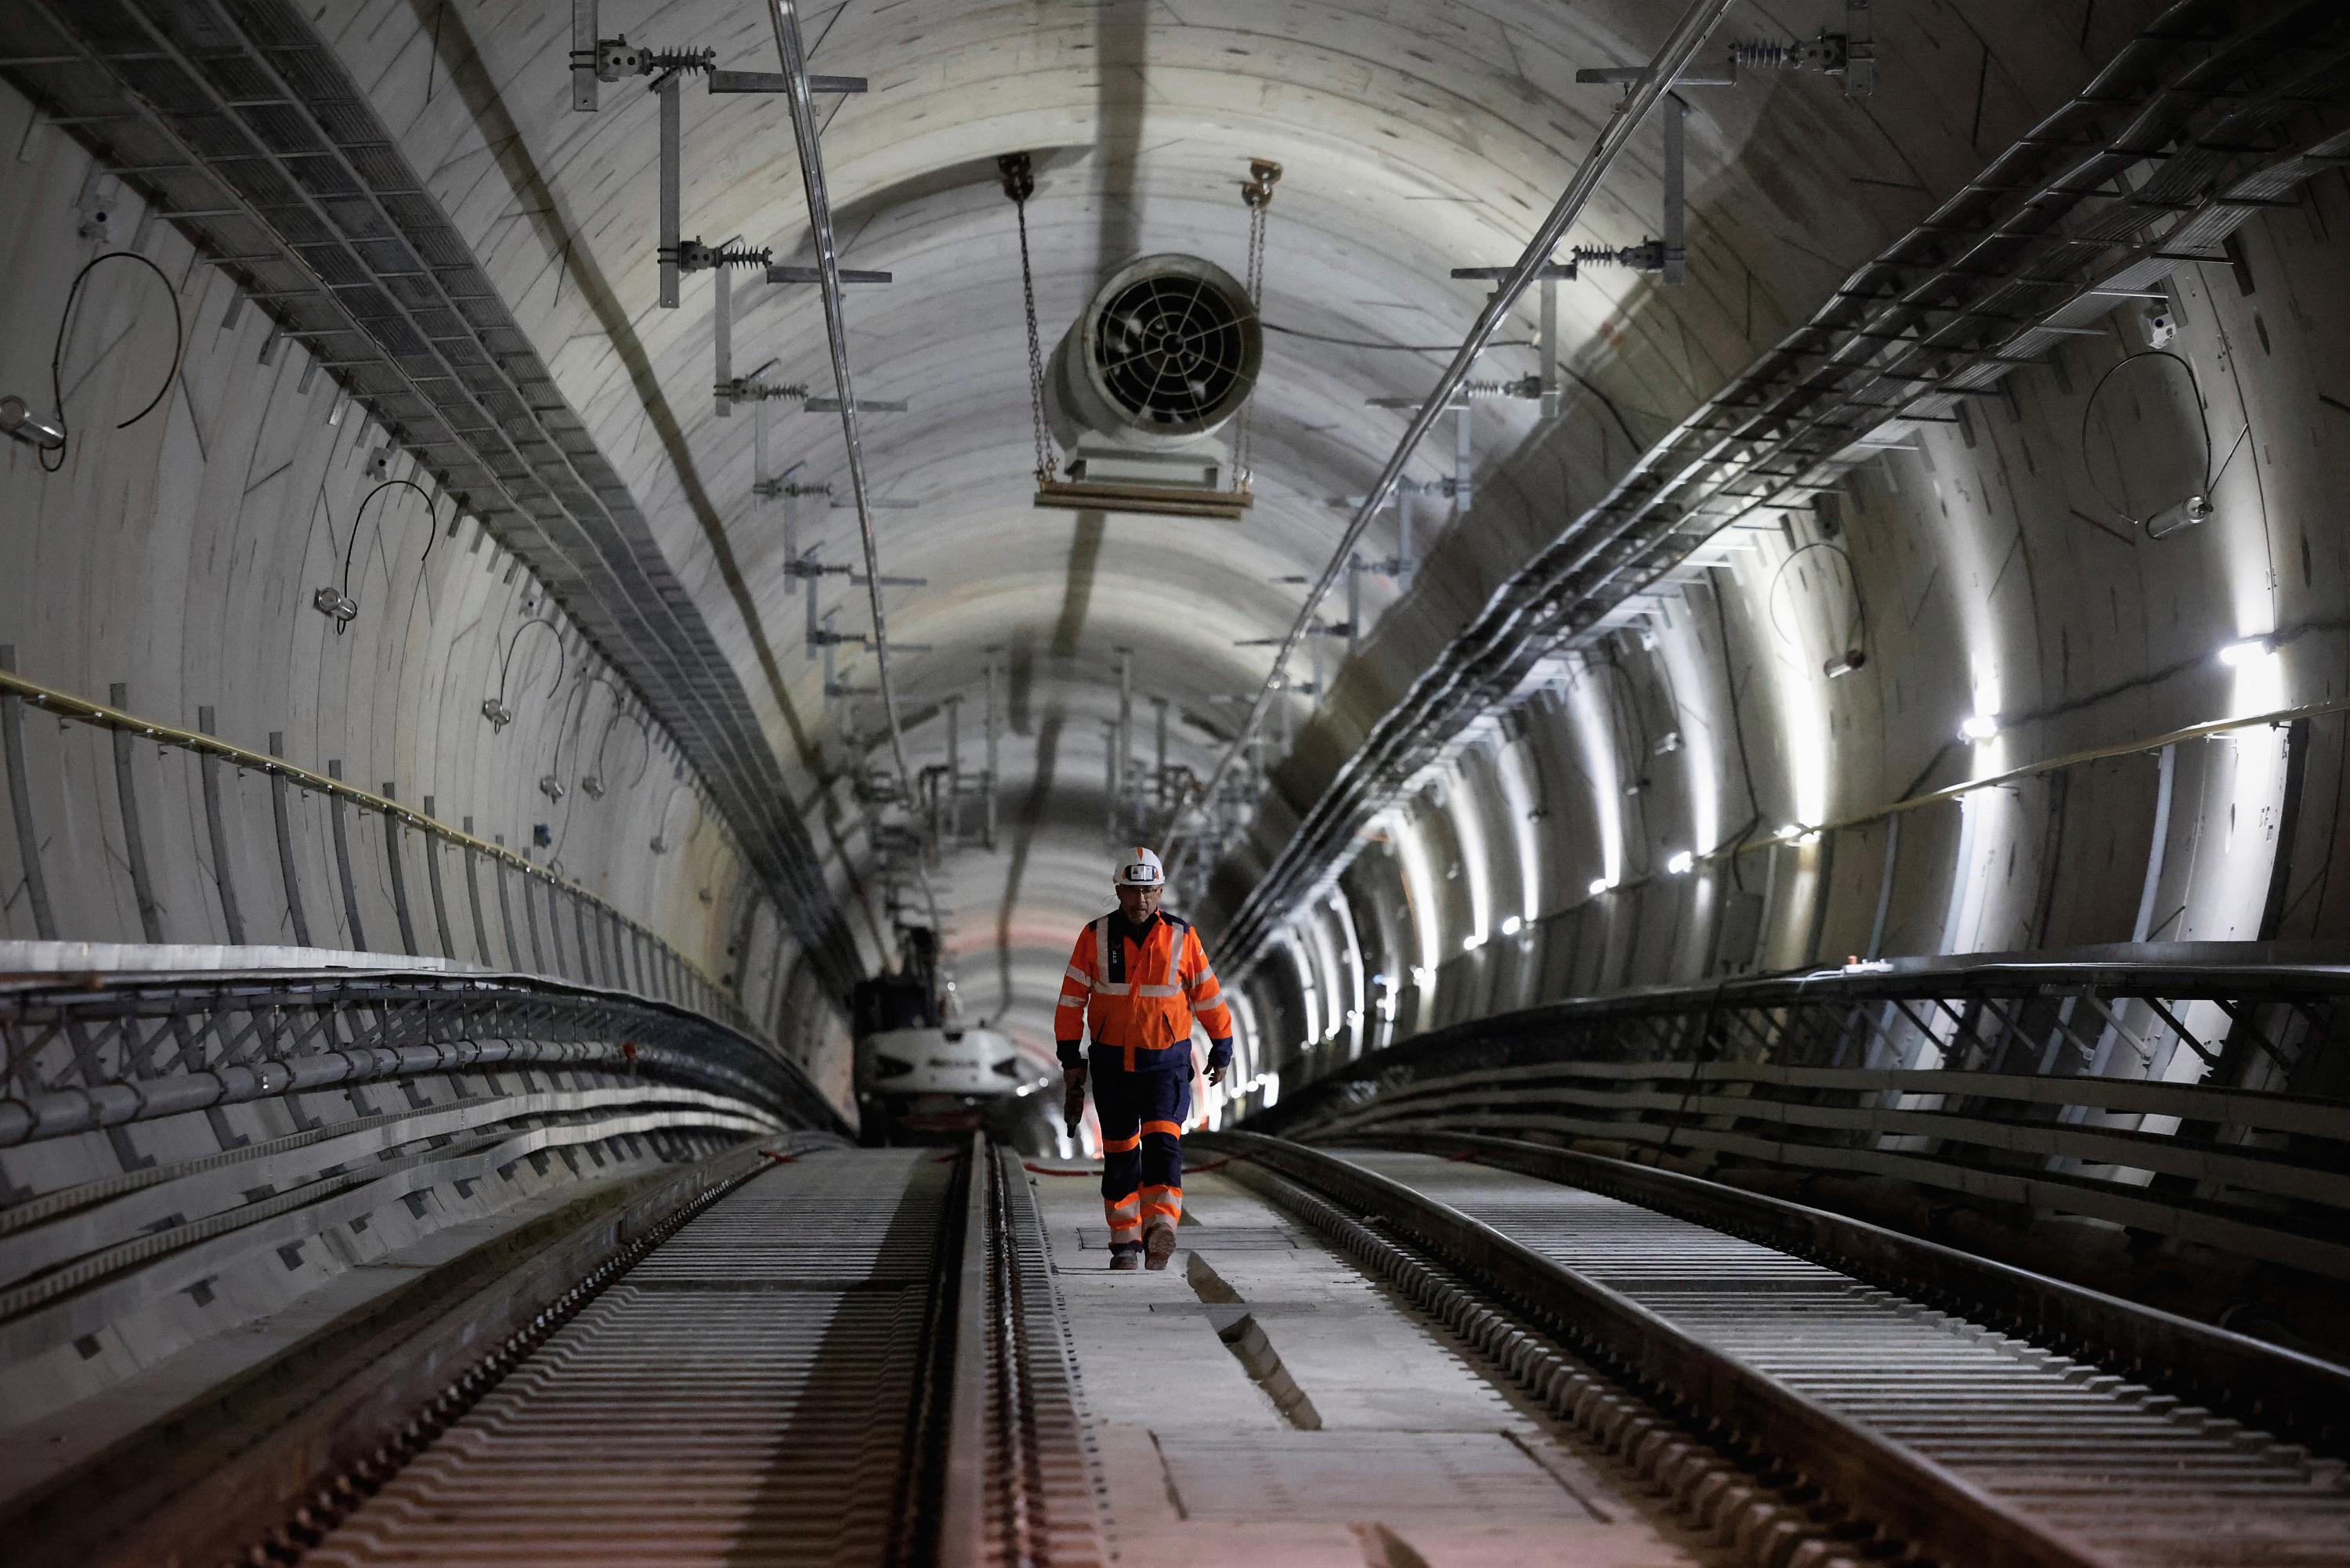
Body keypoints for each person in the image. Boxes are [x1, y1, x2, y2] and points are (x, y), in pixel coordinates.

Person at [1057, 847, 1234, 1271]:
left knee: (1163, 1143)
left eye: (1150, 890)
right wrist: (1071, 1060)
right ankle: (1124, 1243)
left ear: (1160, 891)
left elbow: (1208, 995)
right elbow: (1070, 1001)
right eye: (1133, 890)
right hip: (1113, 1065)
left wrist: (1222, 1044)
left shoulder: (1181, 937)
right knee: (1119, 1153)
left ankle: (1162, 1228)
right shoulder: (1093, 937)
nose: (1141, 899)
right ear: (1118, 889)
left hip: (1165, 1064)